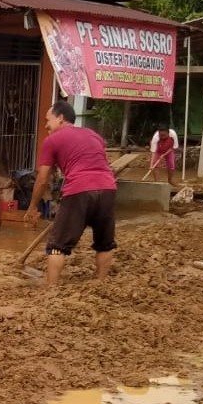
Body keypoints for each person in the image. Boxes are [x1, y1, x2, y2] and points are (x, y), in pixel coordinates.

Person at [23, 101, 117, 286]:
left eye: (47, 120)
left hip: (79, 189)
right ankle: (101, 284)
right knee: (105, 242)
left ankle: (51, 291)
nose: (45, 125)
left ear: (60, 118)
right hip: (108, 188)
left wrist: (32, 207)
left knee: (57, 245)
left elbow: (42, 180)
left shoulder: (52, 140)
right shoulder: (94, 135)